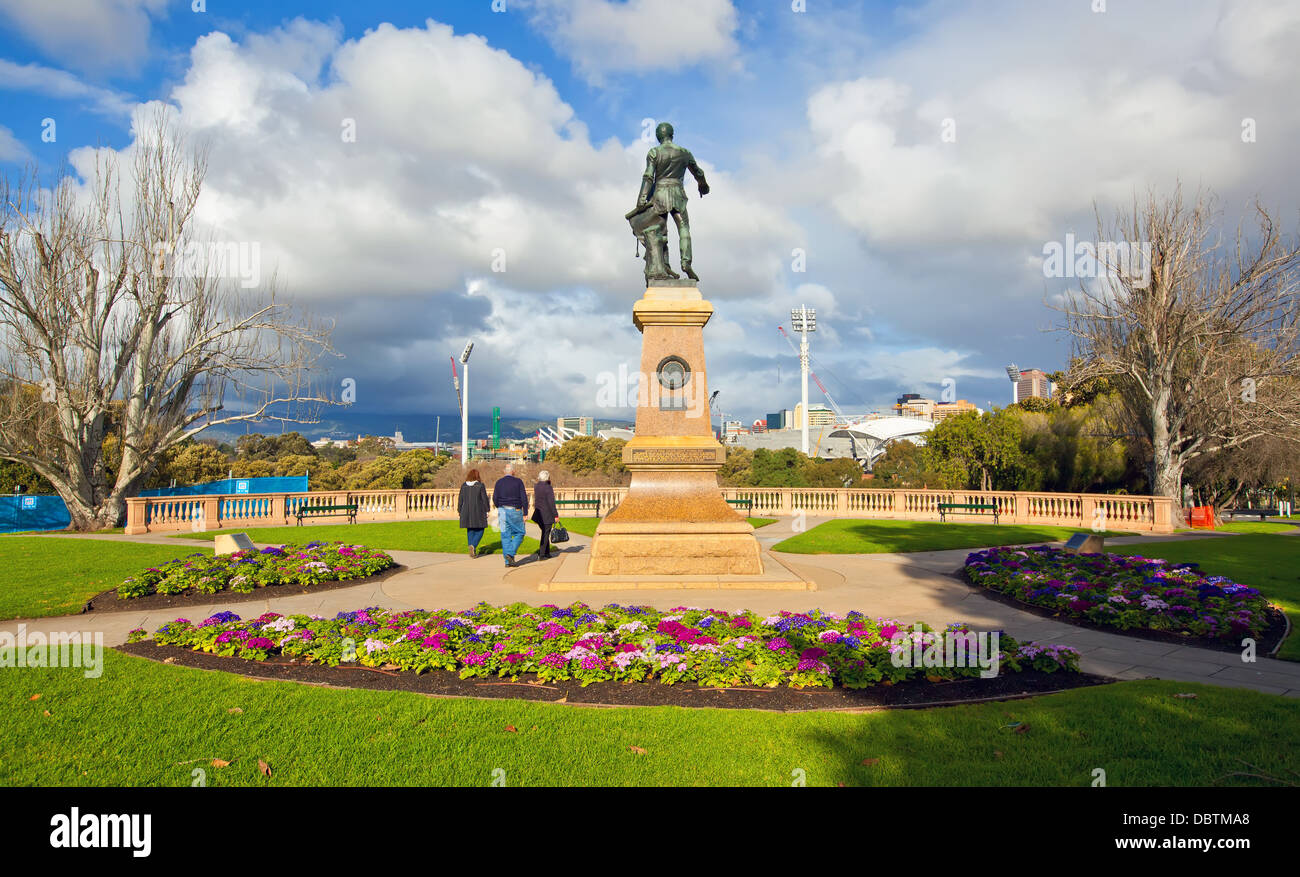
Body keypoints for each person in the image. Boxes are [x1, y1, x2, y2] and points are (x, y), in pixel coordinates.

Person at [636, 122, 709, 281]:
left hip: (660, 194)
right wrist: (703, 185)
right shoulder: (684, 153)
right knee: (684, 229)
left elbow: (648, 176)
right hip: (678, 194)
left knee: (660, 231)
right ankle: (686, 263)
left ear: (658, 137)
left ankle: (665, 264)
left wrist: (641, 199)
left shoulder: (654, 152)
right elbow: (698, 172)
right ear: (672, 135)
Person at [491, 463, 529, 567]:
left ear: (504, 472)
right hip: (515, 510)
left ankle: (508, 561)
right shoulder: (518, 482)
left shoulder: (499, 482)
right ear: (513, 472)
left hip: (502, 510)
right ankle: (510, 554)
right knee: (520, 532)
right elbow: (524, 498)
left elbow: (495, 498)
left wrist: (499, 507)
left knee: (505, 535)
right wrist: (525, 512)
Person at [457, 469, 489, 558]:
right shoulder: (480, 485)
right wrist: (487, 510)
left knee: (470, 529)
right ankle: (473, 545)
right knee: (481, 529)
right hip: (478, 510)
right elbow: (484, 499)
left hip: (466, 511)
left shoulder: (464, 486)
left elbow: (460, 499)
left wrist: (459, 510)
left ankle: (471, 547)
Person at [530, 470, 560, 560]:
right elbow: (551, 503)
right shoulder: (548, 488)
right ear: (547, 478)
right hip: (546, 515)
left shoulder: (536, 486)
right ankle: (542, 554)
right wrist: (556, 515)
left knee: (545, 533)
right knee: (545, 534)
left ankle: (546, 552)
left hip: (538, 515)